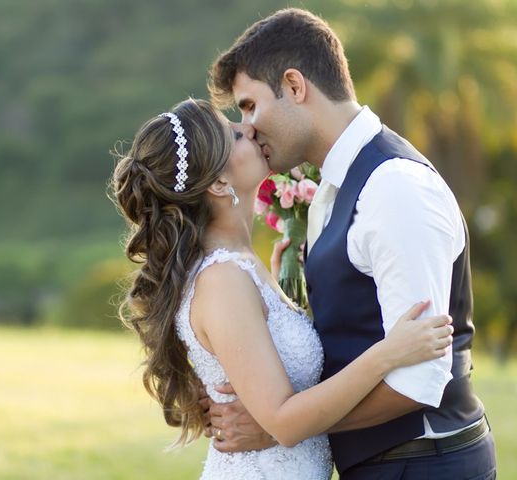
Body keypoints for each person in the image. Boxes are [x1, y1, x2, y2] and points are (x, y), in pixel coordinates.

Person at [205, 7, 496, 479]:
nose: (249, 127)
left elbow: (419, 379)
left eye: (250, 106)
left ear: (295, 86)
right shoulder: (334, 188)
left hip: (424, 465)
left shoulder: (393, 187)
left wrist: (280, 426)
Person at [111, 97, 454, 479]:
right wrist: (387, 355)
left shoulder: (242, 265)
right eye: (233, 134)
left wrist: (290, 303)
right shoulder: (223, 280)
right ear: (220, 183)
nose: (249, 129)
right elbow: (283, 422)